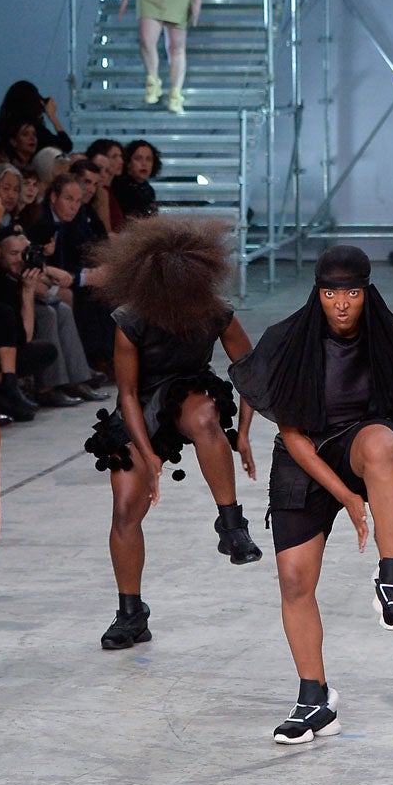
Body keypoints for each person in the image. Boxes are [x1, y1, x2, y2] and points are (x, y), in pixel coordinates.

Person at [230, 246, 393, 743]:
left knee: (383, 441)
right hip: (304, 458)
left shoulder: (391, 337)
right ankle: (314, 698)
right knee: (294, 580)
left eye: (352, 292)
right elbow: (295, 436)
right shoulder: (287, 340)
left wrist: (389, 494)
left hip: (364, 442)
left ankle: (392, 577)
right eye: (330, 293)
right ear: (316, 293)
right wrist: (349, 497)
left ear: (367, 292)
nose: (341, 304)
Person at [85, 217, 260, 650]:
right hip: (141, 404)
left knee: (203, 418)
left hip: (188, 391)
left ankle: (231, 523)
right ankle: (132, 613)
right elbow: (126, 393)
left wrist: (244, 433)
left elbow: (253, 372)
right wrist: (146, 455)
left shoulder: (215, 312)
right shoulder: (131, 320)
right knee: (126, 511)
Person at [111, 140, 160, 222]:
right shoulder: (119, 187)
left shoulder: (148, 189)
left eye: (148, 159)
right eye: (138, 159)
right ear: (128, 163)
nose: (144, 163)